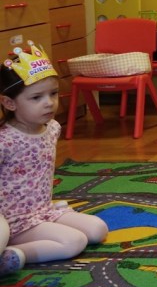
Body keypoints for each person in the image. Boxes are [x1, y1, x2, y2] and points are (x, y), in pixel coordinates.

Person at [0, 42, 108, 266]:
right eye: (36, 97)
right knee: (74, 241)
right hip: (15, 222)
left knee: (98, 229)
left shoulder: (53, 128)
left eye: (53, 93)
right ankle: (11, 255)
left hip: (44, 211)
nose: (49, 103)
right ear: (9, 103)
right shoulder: (4, 140)